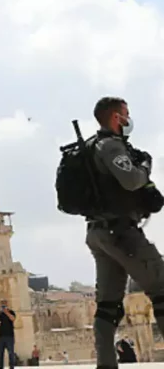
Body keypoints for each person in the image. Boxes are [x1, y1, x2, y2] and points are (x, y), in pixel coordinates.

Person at [82, 96, 164, 368]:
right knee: (161, 287)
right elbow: (130, 181)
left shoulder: (89, 148)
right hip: (121, 233)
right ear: (117, 118)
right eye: (126, 114)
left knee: (107, 307)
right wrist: (144, 167)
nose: (129, 120)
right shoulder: (110, 146)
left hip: (98, 233)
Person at [0, 301, 15, 369]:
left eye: (4, 304)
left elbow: (13, 319)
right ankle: (0, 367)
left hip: (9, 336)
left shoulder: (11, 312)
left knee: (11, 353)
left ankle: (11, 366)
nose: (3, 306)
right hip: (1, 337)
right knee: (0, 353)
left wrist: (7, 313)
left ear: (7, 304)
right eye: (2, 305)